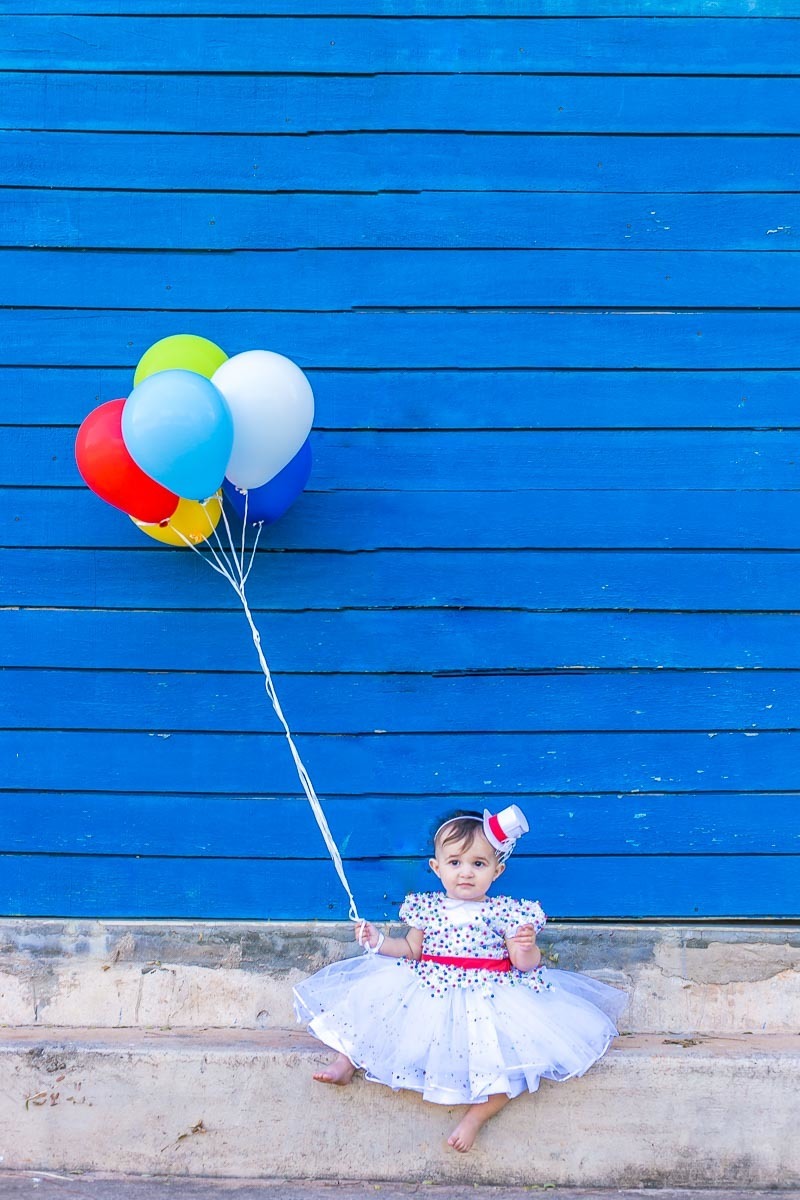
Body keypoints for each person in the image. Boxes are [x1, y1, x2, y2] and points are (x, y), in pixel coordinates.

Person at [293, 806, 626, 1152]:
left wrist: (527, 947)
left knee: (504, 1068)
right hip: (430, 986)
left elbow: (524, 964)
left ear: (497, 871)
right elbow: (410, 949)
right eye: (455, 863)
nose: (465, 873)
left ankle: (475, 1117)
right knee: (374, 1017)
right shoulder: (428, 908)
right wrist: (377, 941)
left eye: (478, 864)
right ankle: (345, 1063)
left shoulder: (508, 913)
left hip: (489, 995)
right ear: (437, 868)